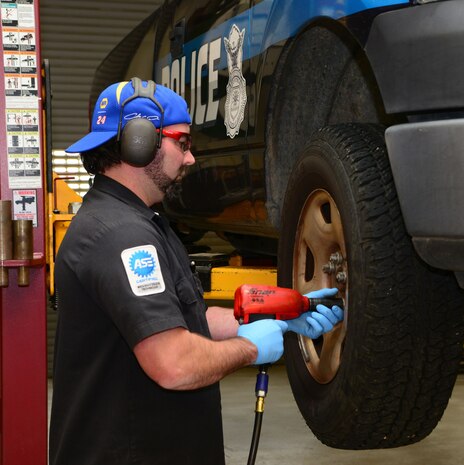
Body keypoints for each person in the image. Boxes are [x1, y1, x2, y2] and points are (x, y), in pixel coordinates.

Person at [49, 78, 344, 465]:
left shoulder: (142, 222)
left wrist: (283, 315)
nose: (190, 159)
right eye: (182, 143)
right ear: (141, 142)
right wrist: (250, 347)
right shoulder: (120, 236)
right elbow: (173, 362)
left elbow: (184, 318)